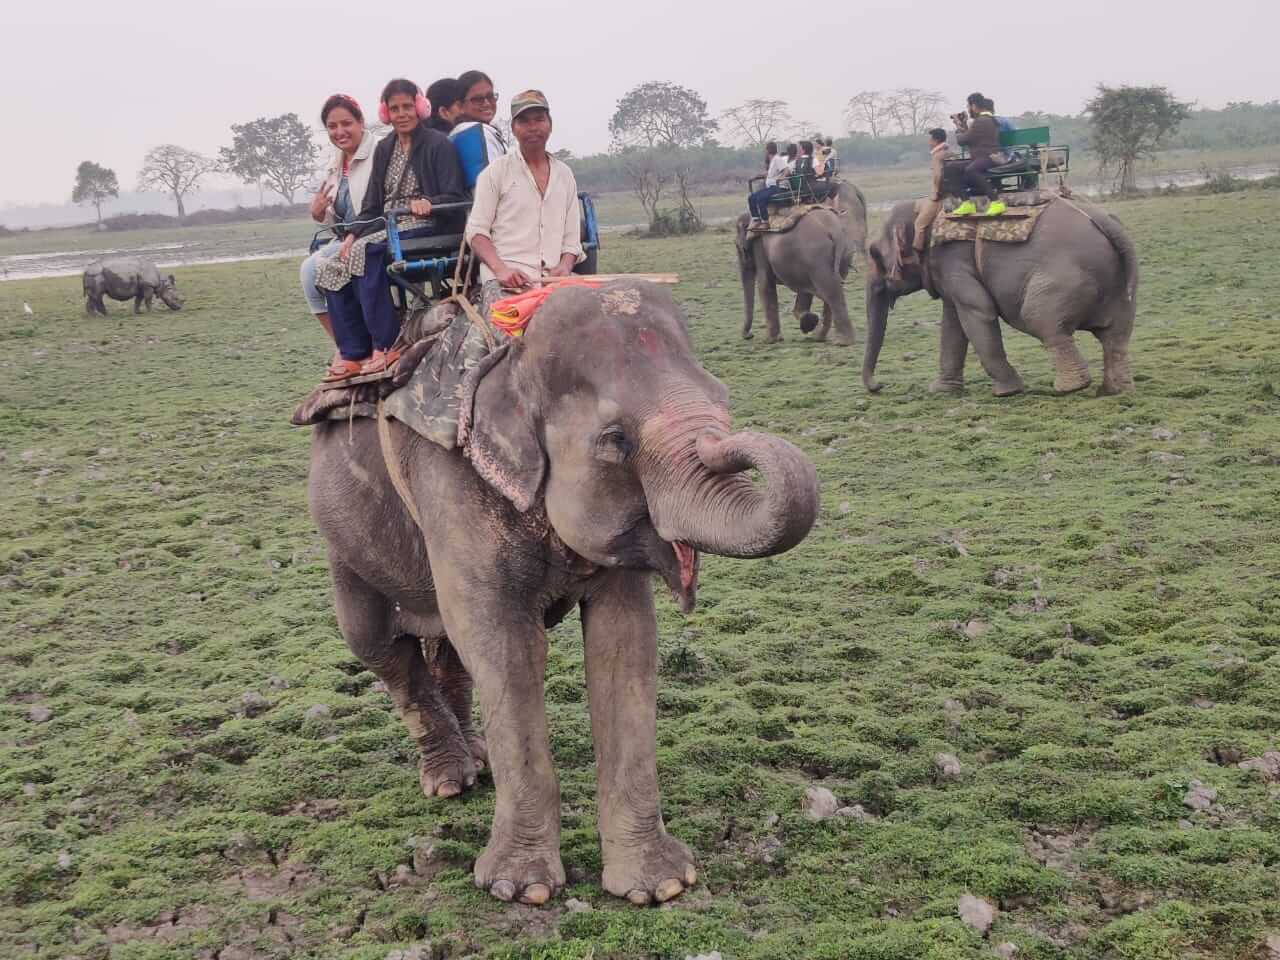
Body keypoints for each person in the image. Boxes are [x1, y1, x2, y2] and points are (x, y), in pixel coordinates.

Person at [314, 78, 467, 381]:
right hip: (390, 225)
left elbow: (457, 197)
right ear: (386, 113)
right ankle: (353, 351)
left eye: (407, 106)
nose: (401, 114)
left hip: (429, 226)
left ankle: (386, 344)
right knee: (332, 263)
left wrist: (429, 203)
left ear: (419, 107)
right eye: (394, 108)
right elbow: (372, 206)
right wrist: (352, 233)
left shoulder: (438, 144)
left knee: (368, 253)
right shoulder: (385, 148)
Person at [464, 89, 583, 290]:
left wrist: (565, 265)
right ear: (513, 128)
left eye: (539, 119)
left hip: (554, 279)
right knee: (507, 321)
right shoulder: (495, 172)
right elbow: (476, 233)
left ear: (550, 125)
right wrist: (501, 270)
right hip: (507, 280)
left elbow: (572, 238)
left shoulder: (565, 174)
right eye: (524, 121)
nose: (533, 127)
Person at [300, 94, 376, 354]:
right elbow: (338, 215)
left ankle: (350, 348)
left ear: (361, 122)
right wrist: (319, 213)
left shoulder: (377, 153)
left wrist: (354, 234)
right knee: (308, 275)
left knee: (312, 270)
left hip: (372, 233)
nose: (340, 132)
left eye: (347, 124)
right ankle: (344, 345)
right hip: (345, 237)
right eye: (332, 127)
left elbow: (375, 206)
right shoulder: (335, 164)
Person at [450, 70, 507, 188]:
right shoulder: (478, 132)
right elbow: (491, 187)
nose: (486, 103)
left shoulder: (457, 133)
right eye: (477, 99)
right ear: (460, 106)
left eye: (490, 97)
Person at [952, 92, 1006, 216]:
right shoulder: (986, 120)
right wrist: (963, 126)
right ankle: (966, 203)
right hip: (982, 157)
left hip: (989, 157)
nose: (968, 110)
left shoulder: (981, 121)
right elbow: (971, 137)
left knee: (971, 170)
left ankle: (996, 202)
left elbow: (963, 140)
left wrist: (958, 130)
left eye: (968, 107)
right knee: (951, 168)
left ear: (974, 106)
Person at [910, 128, 950, 257]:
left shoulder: (937, 156)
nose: (929, 142)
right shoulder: (949, 153)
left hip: (940, 196)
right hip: (952, 192)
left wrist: (937, 193)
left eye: (930, 139)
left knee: (919, 224)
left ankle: (918, 252)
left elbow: (938, 176)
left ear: (936, 140)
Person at [747, 141, 788, 228]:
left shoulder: (777, 159)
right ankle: (756, 219)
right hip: (770, 187)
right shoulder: (772, 160)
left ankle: (765, 221)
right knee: (751, 197)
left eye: (765, 150)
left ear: (768, 150)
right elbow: (771, 174)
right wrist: (758, 176)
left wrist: (781, 178)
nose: (765, 152)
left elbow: (786, 170)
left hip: (777, 187)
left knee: (761, 198)